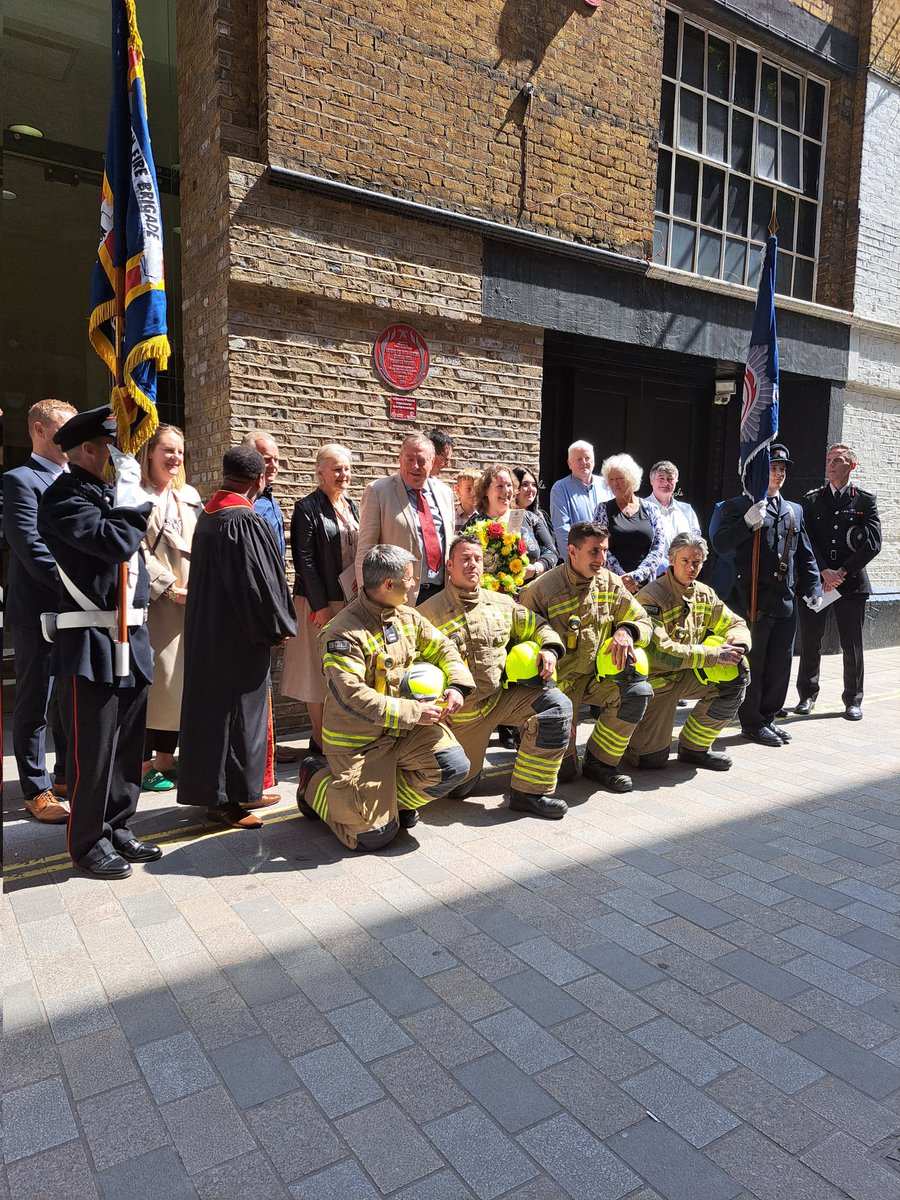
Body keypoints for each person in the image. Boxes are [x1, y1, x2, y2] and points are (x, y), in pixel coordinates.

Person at [37, 405, 161, 879]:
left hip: (131, 632)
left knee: (129, 743)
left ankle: (118, 825)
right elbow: (114, 542)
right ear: (88, 448)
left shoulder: (109, 493)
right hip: (90, 637)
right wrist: (131, 497)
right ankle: (88, 841)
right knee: (95, 748)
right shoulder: (63, 499)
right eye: (111, 444)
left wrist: (127, 495)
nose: (119, 454)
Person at [295, 545, 474, 851]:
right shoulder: (341, 634)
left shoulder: (407, 616)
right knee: (374, 837)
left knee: (453, 766)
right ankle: (314, 781)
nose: (414, 583)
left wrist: (457, 685)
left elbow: (443, 647)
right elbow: (353, 695)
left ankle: (388, 804)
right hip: (359, 744)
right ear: (388, 585)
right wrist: (414, 712)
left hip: (402, 733)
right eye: (409, 578)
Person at [177, 446, 297, 828]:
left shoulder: (210, 515)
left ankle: (242, 791)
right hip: (236, 638)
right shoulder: (244, 520)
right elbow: (258, 586)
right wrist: (276, 626)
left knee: (224, 714)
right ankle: (223, 802)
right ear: (259, 479)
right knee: (234, 716)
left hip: (210, 632)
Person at [419, 535, 571, 819]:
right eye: (464, 558)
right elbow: (409, 665)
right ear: (449, 565)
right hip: (460, 716)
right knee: (458, 786)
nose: (472, 564)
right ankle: (464, 773)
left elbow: (538, 626)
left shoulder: (501, 603)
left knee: (556, 707)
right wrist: (428, 706)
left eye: (477, 558)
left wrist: (549, 648)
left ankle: (530, 793)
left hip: (500, 700)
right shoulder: (426, 614)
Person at [519, 521, 653, 793]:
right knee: (565, 773)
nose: (602, 559)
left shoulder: (611, 583)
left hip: (595, 678)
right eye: (594, 552)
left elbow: (643, 619)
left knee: (637, 692)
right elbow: (519, 641)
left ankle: (601, 762)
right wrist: (552, 703)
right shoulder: (542, 589)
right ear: (572, 550)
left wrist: (627, 630)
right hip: (557, 686)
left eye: (604, 551)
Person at [711, 444, 822, 747]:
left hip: (783, 600)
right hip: (750, 600)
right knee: (755, 663)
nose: (778, 474)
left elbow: (805, 554)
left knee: (779, 663)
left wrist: (812, 587)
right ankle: (752, 722)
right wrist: (746, 523)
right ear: (759, 472)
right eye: (773, 468)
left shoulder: (794, 510)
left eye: (782, 470)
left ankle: (769, 716)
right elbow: (720, 544)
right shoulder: (735, 506)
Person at [3, 399, 77, 823]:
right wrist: (82, 584)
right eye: (61, 430)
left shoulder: (78, 481)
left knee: (69, 696)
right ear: (38, 430)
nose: (70, 439)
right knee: (36, 698)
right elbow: (31, 547)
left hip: (76, 610)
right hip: (38, 609)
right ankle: (36, 789)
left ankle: (66, 774)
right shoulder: (20, 481)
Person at [629, 533, 751, 771]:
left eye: (697, 562)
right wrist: (715, 654)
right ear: (671, 559)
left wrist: (739, 645)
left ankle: (695, 748)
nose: (691, 567)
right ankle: (633, 742)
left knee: (738, 674)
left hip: (688, 674)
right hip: (658, 681)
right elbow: (661, 651)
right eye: (685, 561)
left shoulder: (705, 594)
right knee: (650, 761)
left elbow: (734, 623)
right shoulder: (650, 597)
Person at [282, 443, 359, 754]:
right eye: (336, 469)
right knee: (317, 671)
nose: (343, 474)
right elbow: (305, 561)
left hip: (350, 600)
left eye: (347, 468)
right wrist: (321, 606)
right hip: (320, 603)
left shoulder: (352, 505)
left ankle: (340, 734)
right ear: (320, 473)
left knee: (344, 668)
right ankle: (320, 739)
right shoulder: (306, 508)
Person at [795, 443, 882, 721]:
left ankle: (853, 700)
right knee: (811, 641)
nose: (831, 465)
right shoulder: (811, 500)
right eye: (829, 459)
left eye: (839, 460)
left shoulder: (864, 501)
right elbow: (804, 539)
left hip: (851, 583)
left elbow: (873, 543)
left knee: (852, 644)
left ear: (852, 466)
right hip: (818, 582)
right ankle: (807, 695)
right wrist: (823, 571)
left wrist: (842, 572)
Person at [138, 424, 202, 792]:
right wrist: (168, 588)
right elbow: (137, 550)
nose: (175, 457)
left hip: (191, 602)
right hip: (158, 603)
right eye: (167, 450)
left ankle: (167, 759)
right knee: (158, 681)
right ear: (150, 453)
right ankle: (144, 763)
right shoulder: (137, 495)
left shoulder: (188, 495)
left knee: (179, 683)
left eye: (179, 451)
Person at [355, 433, 456, 605]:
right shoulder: (378, 492)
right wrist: (366, 601)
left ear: (432, 462)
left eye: (422, 461)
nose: (415, 466)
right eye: (409, 459)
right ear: (399, 459)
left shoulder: (445, 493)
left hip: (441, 596)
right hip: (397, 597)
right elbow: (365, 552)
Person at [468, 463, 558, 581]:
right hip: (492, 595)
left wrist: (536, 569)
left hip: (531, 593)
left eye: (509, 485)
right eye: (500, 486)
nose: (506, 491)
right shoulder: (475, 524)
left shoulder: (530, 518)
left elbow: (551, 552)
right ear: (486, 491)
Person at [593, 454, 667, 593]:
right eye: (611, 479)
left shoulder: (651, 509)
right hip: (613, 585)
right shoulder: (602, 509)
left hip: (646, 586)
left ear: (631, 479)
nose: (615, 483)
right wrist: (623, 578)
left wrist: (636, 576)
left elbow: (658, 548)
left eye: (620, 478)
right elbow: (599, 546)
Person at [548, 440, 612, 557]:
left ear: (594, 461)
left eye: (587, 458)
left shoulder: (606, 485)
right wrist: (574, 560)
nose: (584, 462)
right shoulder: (560, 488)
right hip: (579, 561)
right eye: (579, 459)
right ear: (569, 464)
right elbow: (562, 529)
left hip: (607, 558)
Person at [643, 460, 701, 569]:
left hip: (684, 573)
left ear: (676, 482)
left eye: (670, 479)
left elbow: (696, 541)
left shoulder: (687, 510)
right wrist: (666, 567)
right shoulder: (641, 508)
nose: (666, 483)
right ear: (651, 481)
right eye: (661, 478)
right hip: (653, 575)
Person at [242, 430, 286, 563]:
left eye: (276, 460)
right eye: (267, 460)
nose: (274, 466)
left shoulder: (267, 494)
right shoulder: (246, 500)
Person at [513, 466, 553, 533]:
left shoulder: (541, 516)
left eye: (534, 485)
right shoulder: (506, 517)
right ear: (515, 488)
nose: (531, 489)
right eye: (525, 484)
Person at [454, 468, 480, 533]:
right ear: (458, 490)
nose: (473, 493)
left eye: (477, 488)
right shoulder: (451, 518)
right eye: (468, 488)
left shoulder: (485, 517)